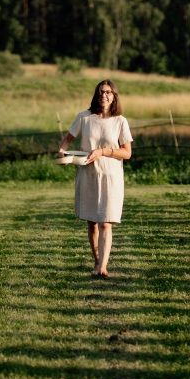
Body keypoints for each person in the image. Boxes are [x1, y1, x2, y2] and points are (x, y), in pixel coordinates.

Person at [58, 79, 133, 278]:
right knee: (92, 222)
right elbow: (68, 139)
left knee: (106, 221)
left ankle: (103, 266)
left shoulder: (120, 121)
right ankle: (97, 260)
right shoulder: (84, 117)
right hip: (88, 174)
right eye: (101, 92)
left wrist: (103, 151)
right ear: (96, 95)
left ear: (114, 96)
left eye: (108, 92)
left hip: (111, 176)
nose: (104, 95)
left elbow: (127, 153)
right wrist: (62, 151)